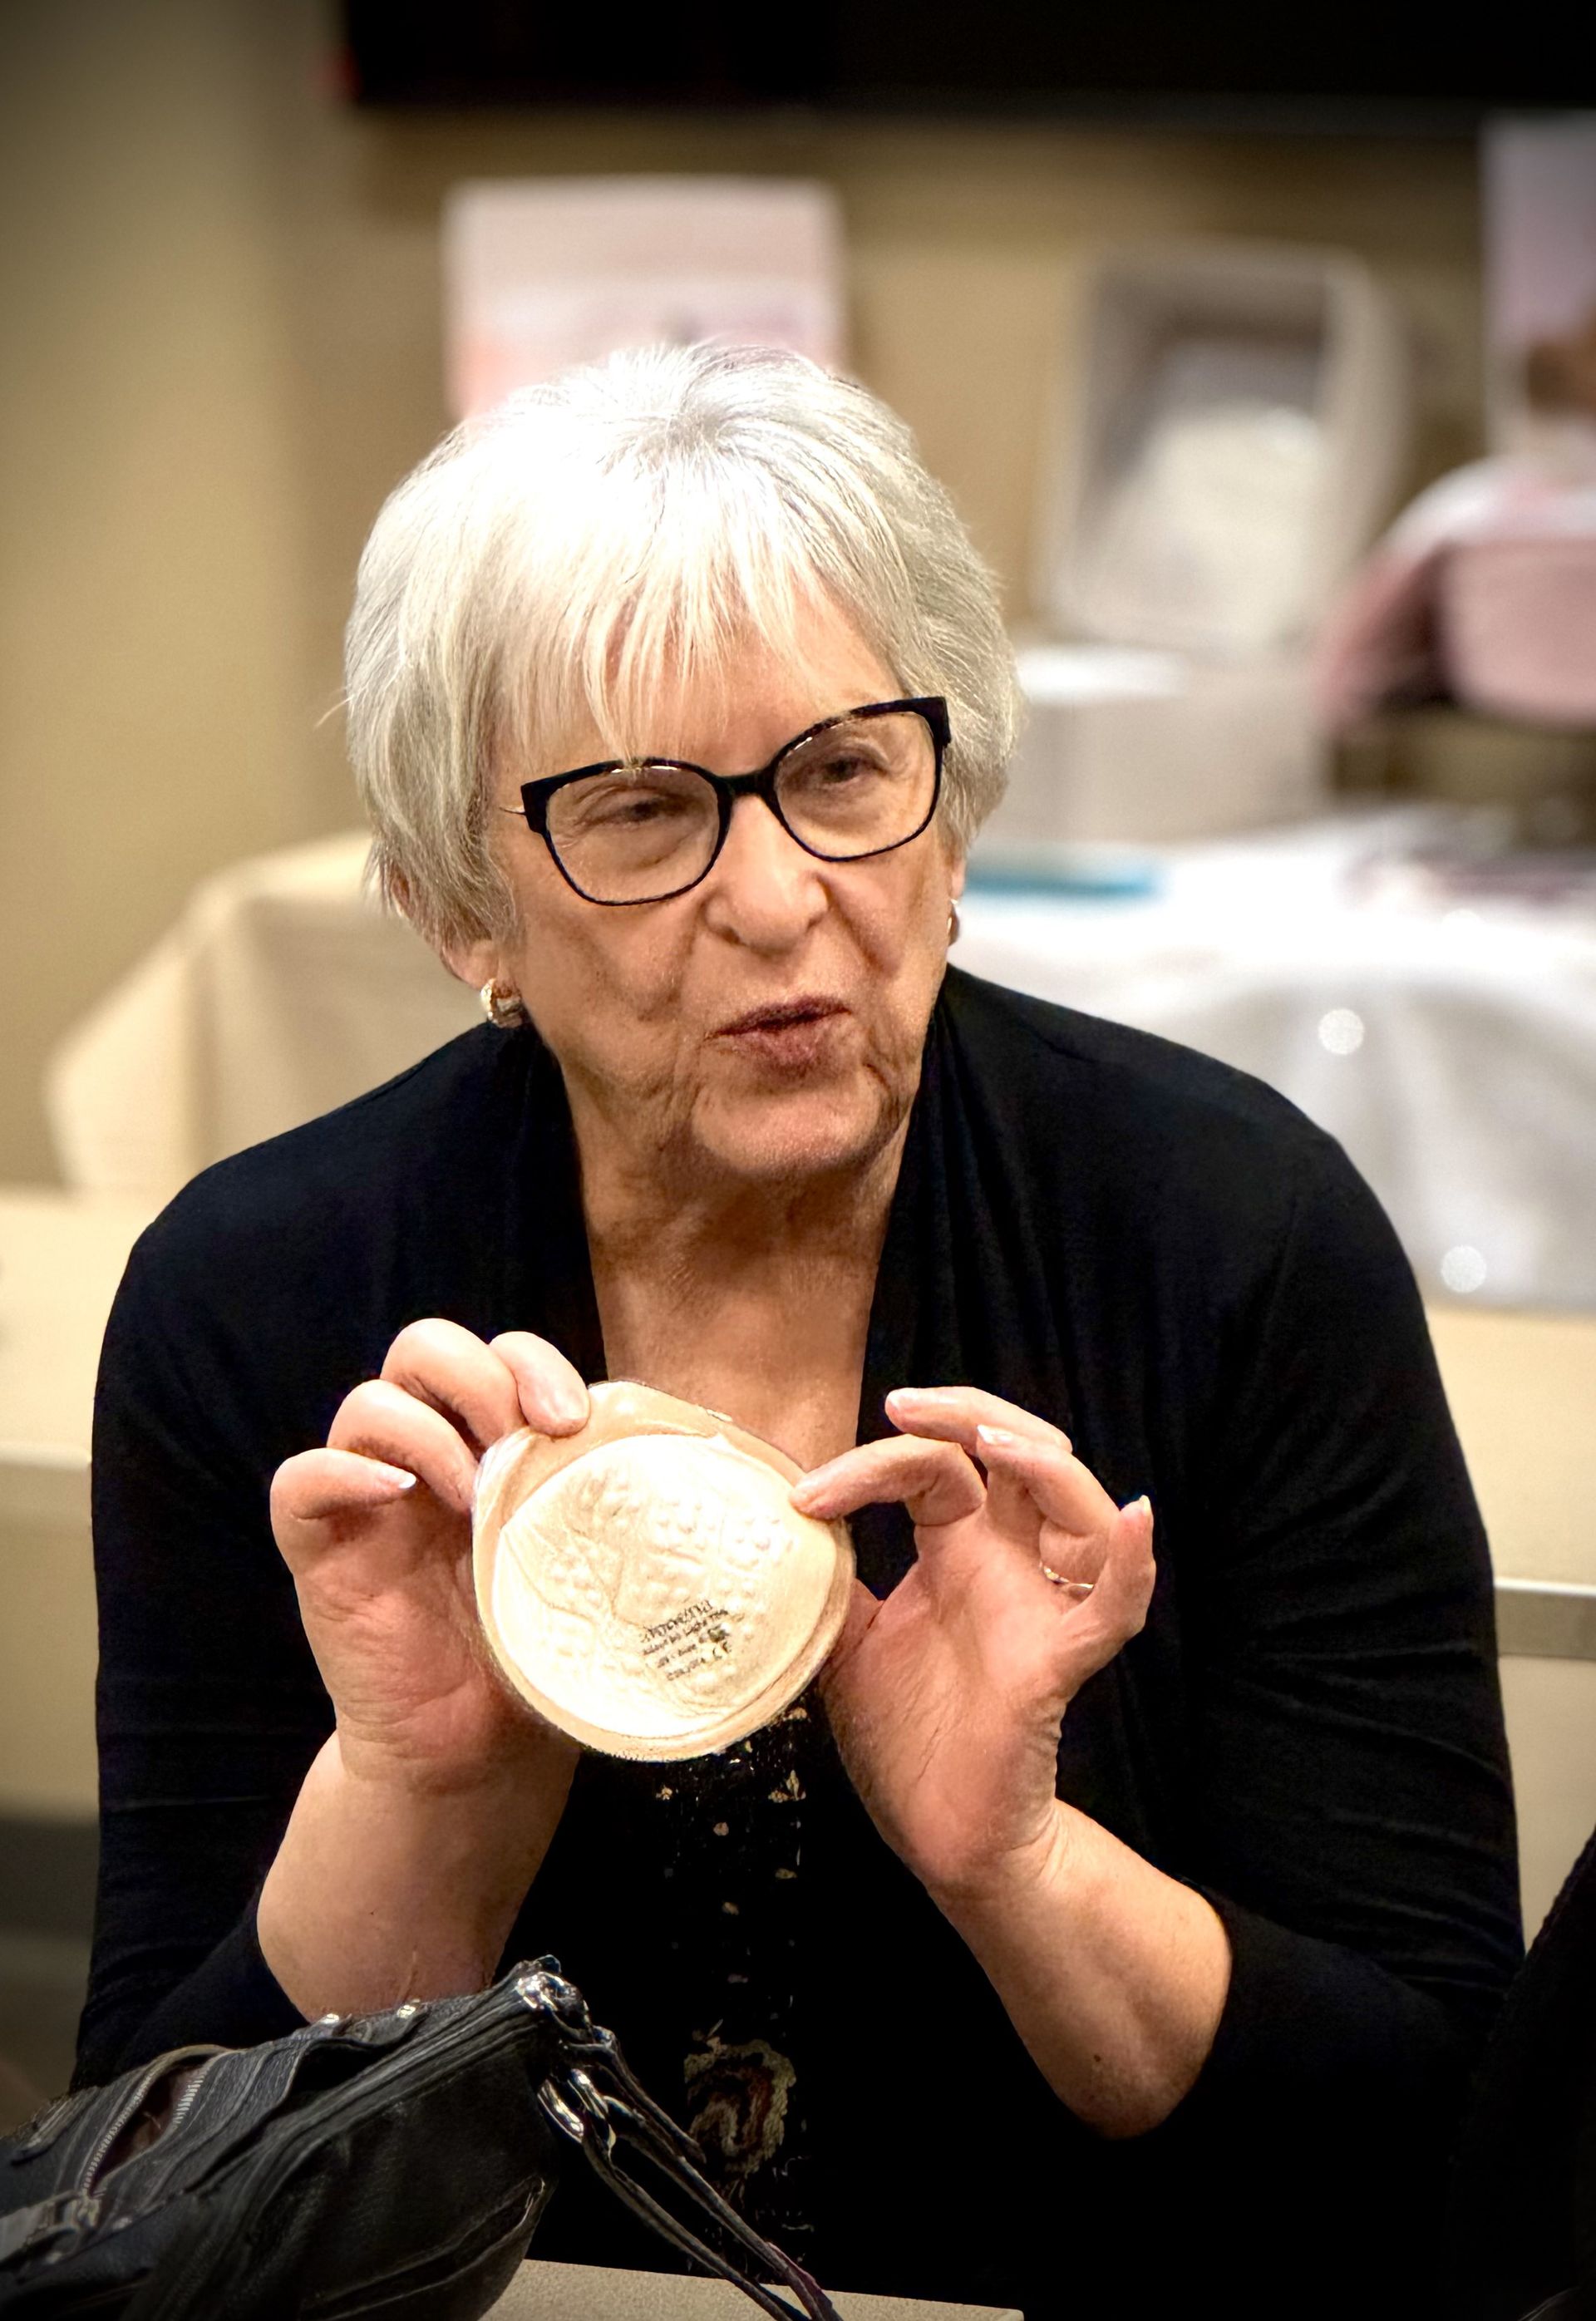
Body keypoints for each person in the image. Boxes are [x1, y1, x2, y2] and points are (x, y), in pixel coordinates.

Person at [77, 344, 1520, 2318]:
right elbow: (149, 2202)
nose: (780, 898)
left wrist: (1016, 1857)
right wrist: (417, 1793)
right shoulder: (263, 1302)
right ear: (457, 914)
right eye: (646, 811)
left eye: (843, 774)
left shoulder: (1231, 1235)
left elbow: (1431, 2140)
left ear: (949, 813)